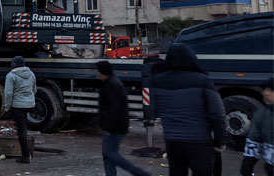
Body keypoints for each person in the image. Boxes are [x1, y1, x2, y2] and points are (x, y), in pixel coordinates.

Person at [152, 44, 226, 176]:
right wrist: (220, 140)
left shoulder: (157, 81)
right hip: (199, 142)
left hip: (173, 142)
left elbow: (156, 109)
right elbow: (218, 113)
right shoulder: (203, 81)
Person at [96, 61, 150, 176]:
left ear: (103, 73)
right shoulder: (112, 83)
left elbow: (113, 110)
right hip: (115, 127)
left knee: (110, 154)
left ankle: (139, 173)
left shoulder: (111, 85)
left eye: (99, 72)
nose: (97, 74)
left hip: (114, 128)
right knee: (108, 156)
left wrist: (107, 128)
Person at [3, 56, 36, 164]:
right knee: (24, 127)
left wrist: (7, 106)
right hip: (30, 104)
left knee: (21, 130)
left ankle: (25, 156)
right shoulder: (31, 74)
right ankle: (28, 152)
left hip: (18, 106)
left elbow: (8, 93)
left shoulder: (11, 75)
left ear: (14, 64)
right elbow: (34, 89)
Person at [241, 77, 273, 176]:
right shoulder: (262, 114)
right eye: (265, 89)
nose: (266, 93)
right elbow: (254, 139)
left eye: (272, 90)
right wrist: (247, 164)